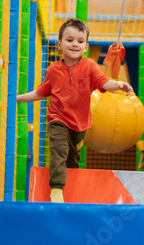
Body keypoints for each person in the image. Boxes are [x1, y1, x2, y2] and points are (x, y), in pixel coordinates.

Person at [16, 18, 133, 203]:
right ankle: (56, 189)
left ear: (86, 46)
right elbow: (41, 92)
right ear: (60, 44)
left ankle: (72, 189)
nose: (75, 44)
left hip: (80, 124)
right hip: (57, 119)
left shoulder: (90, 67)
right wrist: (19, 98)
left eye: (80, 41)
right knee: (58, 150)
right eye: (70, 40)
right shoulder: (53, 70)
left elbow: (104, 83)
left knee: (72, 160)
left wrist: (119, 84)